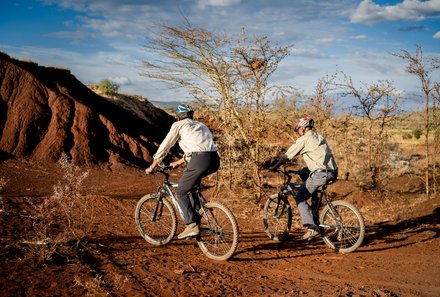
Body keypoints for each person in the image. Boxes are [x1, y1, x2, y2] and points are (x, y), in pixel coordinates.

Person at [145, 104, 220, 239]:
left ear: (178, 117)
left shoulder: (178, 125)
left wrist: (154, 164)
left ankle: (191, 225)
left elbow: (166, 145)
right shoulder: (201, 125)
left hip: (199, 160)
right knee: (192, 189)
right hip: (214, 160)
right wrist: (179, 162)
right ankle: (197, 218)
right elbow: (199, 148)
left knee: (181, 191)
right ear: (191, 115)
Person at [269, 117, 338, 240]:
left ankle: (311, 227)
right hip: (332, 171)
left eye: (298, 130)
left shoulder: (304, 139)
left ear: (303, 128)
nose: (298, 132)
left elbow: (287, 156)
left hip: (320, 174)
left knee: (300, 197)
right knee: (305, 172)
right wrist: (299, 172)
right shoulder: (319, 137)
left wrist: (274, 166)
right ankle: (315, 206)